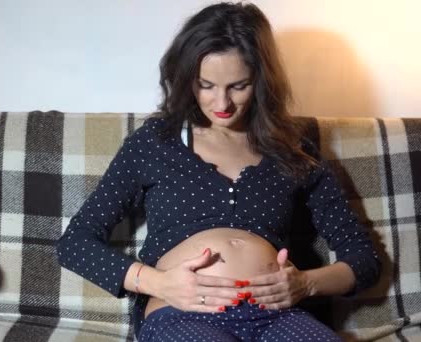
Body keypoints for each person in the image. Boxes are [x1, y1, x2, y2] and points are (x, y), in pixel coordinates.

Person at [57, 2, 381, 341]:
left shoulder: (293, 150)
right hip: (183, 315)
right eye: (205, 85)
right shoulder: (156, 142)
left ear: (262, 81)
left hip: (276, 317)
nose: (221, 103)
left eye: (238, 86)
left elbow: (364, 259)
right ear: (185, 80)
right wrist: (158, 282)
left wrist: (305, 284)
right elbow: (75, 244)